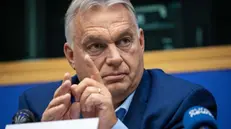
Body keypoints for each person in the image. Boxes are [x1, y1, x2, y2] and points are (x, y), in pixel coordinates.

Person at [17, 0, 217, 129]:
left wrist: (113, 127)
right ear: (71, 56)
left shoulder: (181, 104)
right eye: (96, 45)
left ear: (140, 43)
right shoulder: (37, 107)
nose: (115, 58)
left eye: (124, 41)